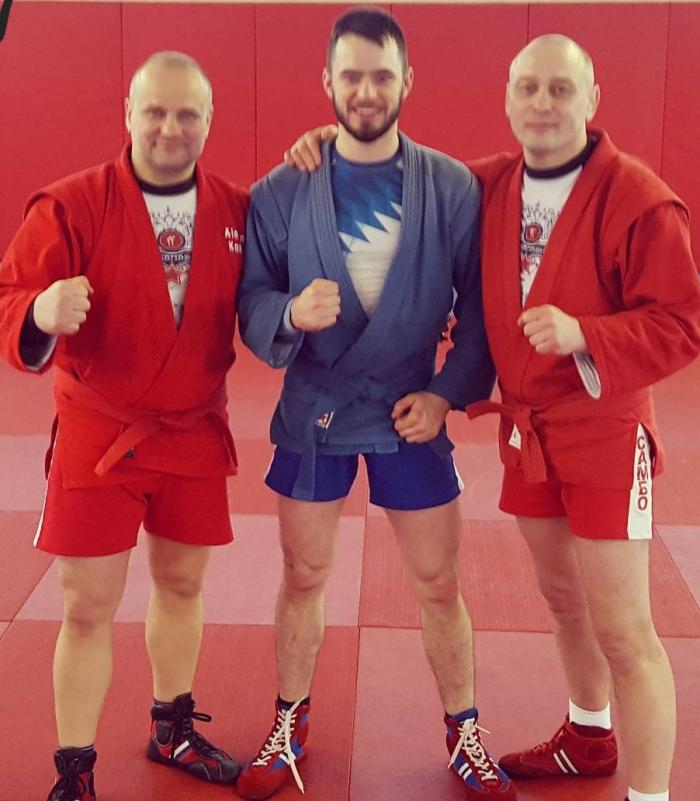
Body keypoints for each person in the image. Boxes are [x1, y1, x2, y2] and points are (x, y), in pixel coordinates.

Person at [284, 33, 700, 801]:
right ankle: (589, 735)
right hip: (529, 431)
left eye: (561, 89)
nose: (543, 104)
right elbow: (400, 174)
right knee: (563, 598)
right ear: (508, 99)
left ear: (592, 99)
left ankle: (652, 795)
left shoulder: (639, 197)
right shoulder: (490, 184)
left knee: (624, 628)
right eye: (528, 89)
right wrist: (328, 143)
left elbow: (683, 322)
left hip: (606, 433)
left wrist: (587, 333)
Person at [236, 7, 514, 801]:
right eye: (351, 75)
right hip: (315, 406)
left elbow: (481, 310)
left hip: (409, 407)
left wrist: (447, 393)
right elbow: (250, 298)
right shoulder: (280, 190)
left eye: (381, 76)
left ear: (407, 82)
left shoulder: (451, 186)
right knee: (303, 572)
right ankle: (290, 721)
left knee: (438, 582)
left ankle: (465, 732)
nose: (365, 91)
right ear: (327, 81)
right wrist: (290, 312)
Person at [0, 52, 249, 801]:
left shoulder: (236, 209)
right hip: (99, 429)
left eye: (187, 114)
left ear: (209, 121)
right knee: (86, 605)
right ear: (129, 114)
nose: (170, 128)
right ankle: (74, 771)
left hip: (193, 427)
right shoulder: (71, 205)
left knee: (182, 582)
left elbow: (274, 291)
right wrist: (39, 311)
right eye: (156, 111)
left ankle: (172, 728)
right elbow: (9, 295)